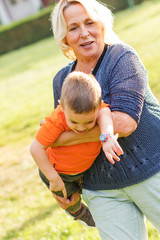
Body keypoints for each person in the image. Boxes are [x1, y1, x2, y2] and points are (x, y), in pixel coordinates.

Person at [47, 0, 160, 239]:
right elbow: (58, 133)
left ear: (102, 25)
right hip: (101, 188)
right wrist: (68, 189)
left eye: (90, 23)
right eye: (74, 27)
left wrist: (62, 139)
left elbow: (125, 122)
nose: (84, 33)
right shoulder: (61, 81)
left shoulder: (121, 56)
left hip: (151, 170)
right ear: (64, 37)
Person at [30, 71, 123, 227]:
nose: (81, 128)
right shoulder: (57, 118)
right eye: (74, 122)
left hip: (81, 170)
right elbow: (35, 148)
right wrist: (54, 178)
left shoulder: (98, 109)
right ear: (62, 107)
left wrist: (107, 138)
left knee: (89, 192)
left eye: (89, 122)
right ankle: (78, 212)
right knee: (69, 198)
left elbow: (105, 113)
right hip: (58, 173)